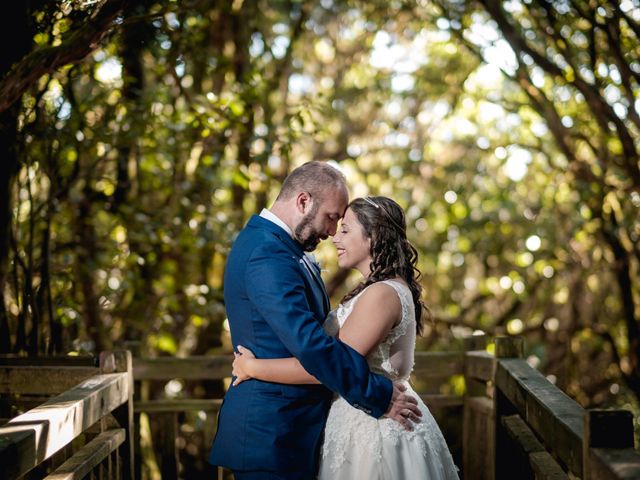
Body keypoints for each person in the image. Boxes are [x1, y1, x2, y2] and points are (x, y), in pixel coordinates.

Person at [208, 162, 422, 480]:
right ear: (304, 201)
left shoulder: (288, 251)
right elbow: (311, 345)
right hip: (273, 434)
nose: (333, 231)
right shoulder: (267, 253)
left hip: (296, 432)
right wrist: (377, 393)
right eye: (333, 218)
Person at [232, 195, 460, 480]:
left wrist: (252, 368)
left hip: (375, 428)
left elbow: (329, 364)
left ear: (373, 236)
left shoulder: (381, 294)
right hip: (360, 417)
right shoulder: (379, 289)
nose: (334, 237)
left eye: (345, 229)